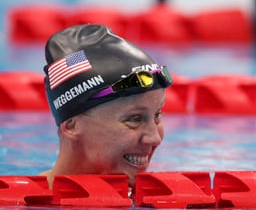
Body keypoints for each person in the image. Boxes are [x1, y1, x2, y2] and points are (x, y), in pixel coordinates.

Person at [40, 23, 173, 192]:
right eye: (135, 119)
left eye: (157, 115)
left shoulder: (157, 200)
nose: (155, 138)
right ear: (72, 125)